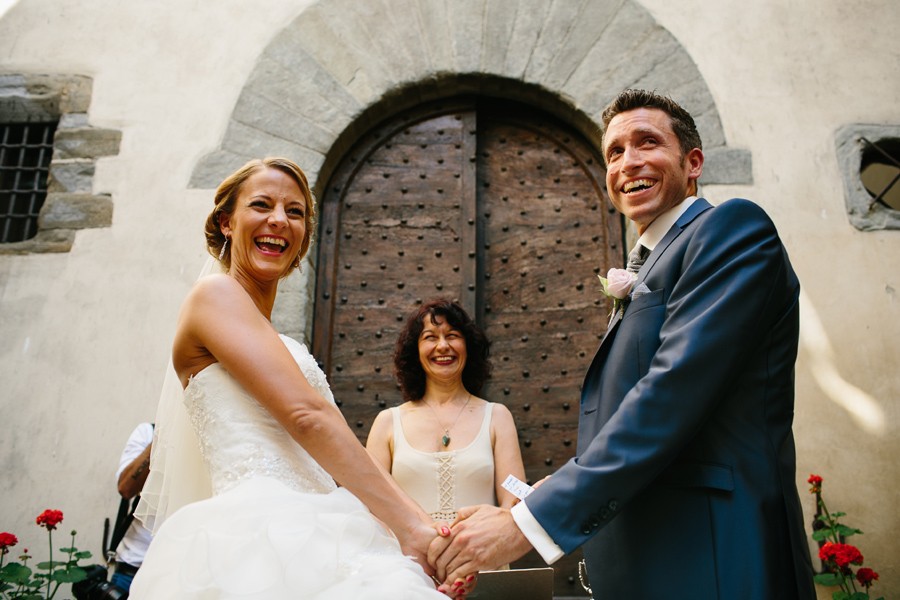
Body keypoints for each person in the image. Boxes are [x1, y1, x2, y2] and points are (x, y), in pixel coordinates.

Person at [428, 89, 816, 599]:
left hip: (714, 554)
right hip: (652, 558)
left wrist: (527, 524)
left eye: (647, 142)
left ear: (692, 161)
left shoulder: (730, 230)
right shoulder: (649, 262)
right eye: (614, 152)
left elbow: (670, 396)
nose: (628, 162)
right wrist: (540, 496)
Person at [130, 158, 473, 599]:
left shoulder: (276, 340)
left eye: (295, 212)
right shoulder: (213, 296)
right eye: (261, 205)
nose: (279, 219)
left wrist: (422, 528)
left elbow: (334, 449)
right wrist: (412, 530)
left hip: (324, 524)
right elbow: (307, 416)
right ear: (226, 222)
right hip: (263, 537)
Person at [366, 299, 525, 525]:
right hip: (408, 558)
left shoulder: (498, 417)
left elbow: (514, 501)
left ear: (468, 347)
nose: (442, 346)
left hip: (482, 556)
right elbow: (372, 504)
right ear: (416, 351)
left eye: (452, 335)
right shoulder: (388, 422)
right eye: (430, 337)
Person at [109, 423, 153, 592]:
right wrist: (165, 433)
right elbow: (126, 488)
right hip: (131, 572)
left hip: (180, 576)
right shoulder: (148, 432)